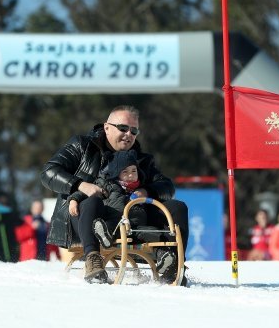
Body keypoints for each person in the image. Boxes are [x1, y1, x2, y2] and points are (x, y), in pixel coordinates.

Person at [41, 105, 189, 285]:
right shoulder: (82, 146)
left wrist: (146, 191)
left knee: (177, 207)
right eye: (123, 128)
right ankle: (93, 259)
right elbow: (49, 172)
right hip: (83, 218)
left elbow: (167, 186)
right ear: (107, 127)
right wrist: (81, 185)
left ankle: (173, 263)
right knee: (91, 202)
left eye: (134, 131)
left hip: (130, 221)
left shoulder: (140, 159)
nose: (129, 134)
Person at [67, 149, 149, 245]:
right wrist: (74, 200)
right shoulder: (108, 185)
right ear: (116, 173)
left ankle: (163, 252)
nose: (131, 175)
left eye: (134, 171)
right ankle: (104, 235)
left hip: (136, 227)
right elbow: (86, 192)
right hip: (117, 222)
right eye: (125, 172)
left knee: (152, 232)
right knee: (111, 225)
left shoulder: (140, 189)